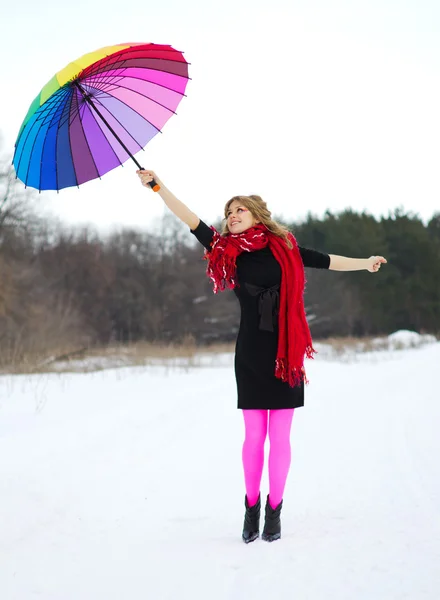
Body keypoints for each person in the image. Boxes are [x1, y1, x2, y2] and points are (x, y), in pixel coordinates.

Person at [137, 169, 387, 543]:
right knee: (254, 437)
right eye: (228, 212)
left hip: (286, 353)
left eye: (239, 210)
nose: (232, 216)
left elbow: (327, 260)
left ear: (256, 214)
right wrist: (157, 186)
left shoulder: (285, 248)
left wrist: (364, 262)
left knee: (281, 438)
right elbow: (188, 217)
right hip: (251, 352)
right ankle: (250, 508)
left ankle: (275, 510)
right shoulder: (226, 250)